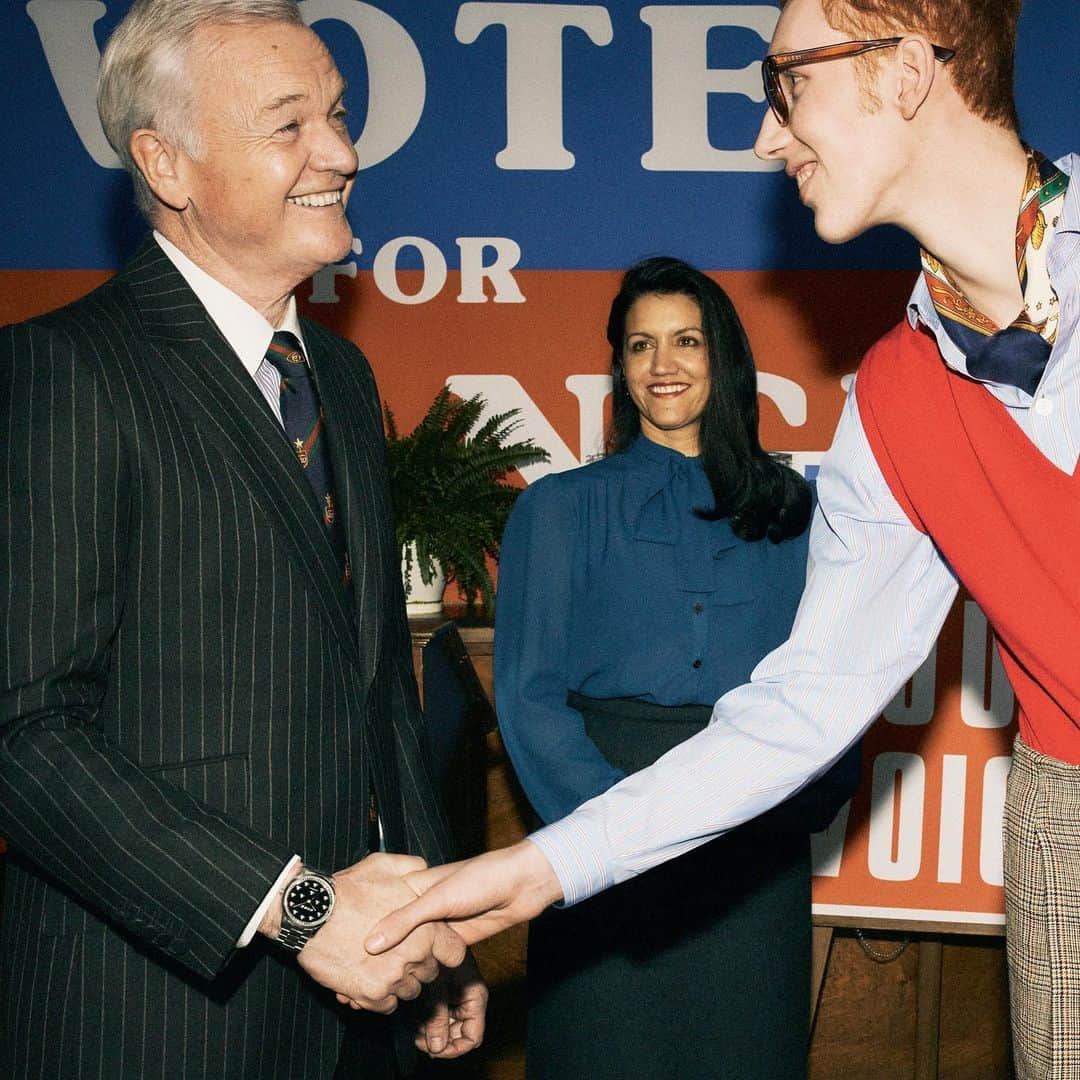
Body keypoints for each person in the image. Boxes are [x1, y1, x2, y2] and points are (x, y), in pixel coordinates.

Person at [367, 1, 1078, 1075]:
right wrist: (527, 875)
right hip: (1062, 818)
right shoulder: (891, 403)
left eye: (789, 82)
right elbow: (805, 703)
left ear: (901, 63)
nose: (764, 135)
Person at [0, 1, 485, 1077]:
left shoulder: (341, 381)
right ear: (166, 164)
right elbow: (23, 740)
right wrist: (305, 912)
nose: (344, 152)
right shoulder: (62, 375)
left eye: (341, 116)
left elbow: (376, 702)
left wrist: (431, 930)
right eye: (290, 124)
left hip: (348, 1017)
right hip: (150, 1023)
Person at [495, 256, 858, 1078]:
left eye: (686, 341)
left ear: (722, 356)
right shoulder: (558, 509)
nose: (663, 366)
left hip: (751, 846)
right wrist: (619, 835)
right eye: (640, 346)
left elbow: (838, 681)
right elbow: (528, 697)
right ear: (620, 368)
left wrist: (776, 808)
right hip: (602, 828)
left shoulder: (797, 512)